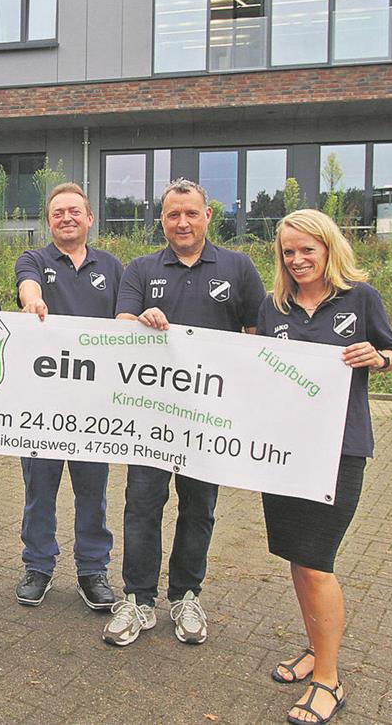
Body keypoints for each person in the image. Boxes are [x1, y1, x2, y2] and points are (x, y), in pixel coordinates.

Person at [106, 178, 264, 647]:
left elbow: (258, 332)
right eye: (173, 215)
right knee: (141, 505)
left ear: (207, 215)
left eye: (191, 213)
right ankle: (138, 598)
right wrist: (140, 321)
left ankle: (186, 594)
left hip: (207, 418)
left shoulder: (238, 267)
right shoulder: (140, 268)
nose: (182, 222)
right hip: (152, 416)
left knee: (199, 508)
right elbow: (120, 324)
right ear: (162, 220)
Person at [258, 209, 392, 725]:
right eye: (288, 252)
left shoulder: (359, 298)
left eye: (306, 250)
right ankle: (317, 649)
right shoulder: (273, 306)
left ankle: (329, 680)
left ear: (328, 249)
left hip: (340, 450)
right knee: (298, 558)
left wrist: (377, 358)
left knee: (318, 561)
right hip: (284, 451)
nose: (297, 260)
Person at [14, 183, 124, 611]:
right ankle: (38, 567)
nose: (66, 218)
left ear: (90, 218)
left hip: (95, 404)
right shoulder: (34, 260)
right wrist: (34, 300)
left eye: (74, 211)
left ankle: (91, 570)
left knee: (92, 492)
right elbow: (27, 287)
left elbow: (126, 318)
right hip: (42, 401)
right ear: (49, 221)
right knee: (39, 490)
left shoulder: (113, 267)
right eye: (58, 212)